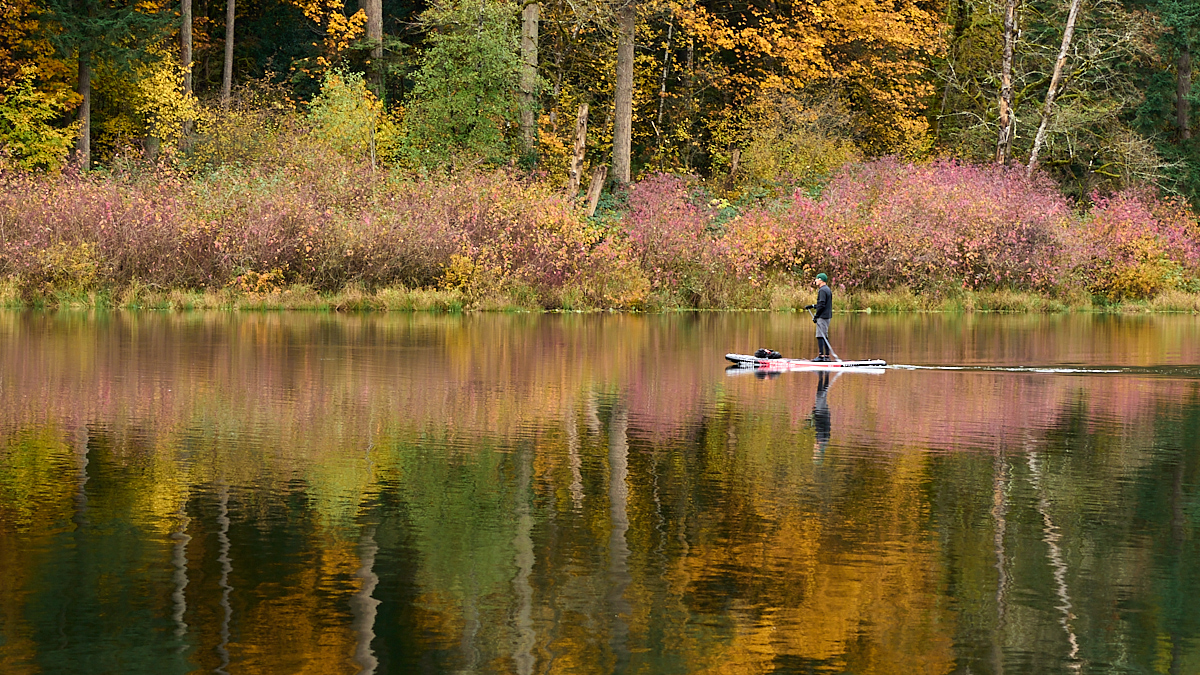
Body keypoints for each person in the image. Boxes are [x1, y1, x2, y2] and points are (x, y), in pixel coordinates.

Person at [804, 272, 834, 362]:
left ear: (821, 280)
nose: (815, 281)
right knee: (824, 335)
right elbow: (822, 304)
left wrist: (816, 316)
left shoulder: (822, 290)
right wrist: (812, 306)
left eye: (816, 279)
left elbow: (822, 305)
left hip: (823, 316)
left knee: (820, 335)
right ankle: (827, 356)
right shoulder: (827, 289)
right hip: (827, 315)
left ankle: (821, 356)